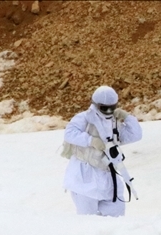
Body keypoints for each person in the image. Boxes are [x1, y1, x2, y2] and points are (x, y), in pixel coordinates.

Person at [61, 85, 142, 217]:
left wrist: (127, 118)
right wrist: (90, 140)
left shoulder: (114, 122)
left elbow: (135, 135)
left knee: (116, 217)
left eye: (112, 107)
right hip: (85, 176)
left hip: (108, 175)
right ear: (96, 104)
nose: (109, 111)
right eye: (105, 108)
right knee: (88, 219)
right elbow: (69, 134)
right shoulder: (84, 118)